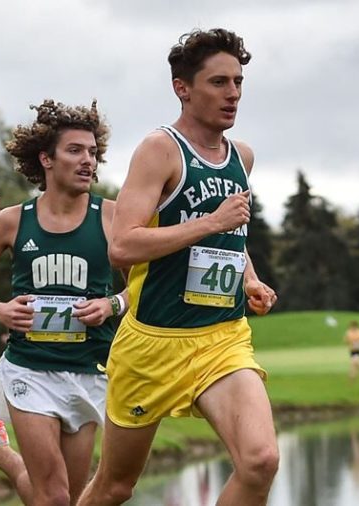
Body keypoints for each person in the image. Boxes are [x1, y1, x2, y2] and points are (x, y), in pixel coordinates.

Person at [77, 29, 279, 506]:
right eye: (218, 82)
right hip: (153, 345)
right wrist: (210, 222)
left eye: (238, 82)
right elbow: (123, 246)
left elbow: (233, 234)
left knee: (261, 461)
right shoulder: (160, 150)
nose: (233, 94)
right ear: (182, 88)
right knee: (114, 487)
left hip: (223, 338)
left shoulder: (240, 157)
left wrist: (250, 279)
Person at [0, 99, 125, 504]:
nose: (88, 161)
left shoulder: (111, 217)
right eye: (75, 151)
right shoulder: (14, 220)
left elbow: (144, 287)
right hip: (30, 370)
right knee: (54, 497)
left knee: (66, 496)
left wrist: (111, 305)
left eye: (93, 153)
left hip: (88, 370)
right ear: (46, 158)